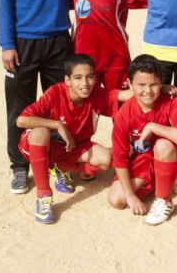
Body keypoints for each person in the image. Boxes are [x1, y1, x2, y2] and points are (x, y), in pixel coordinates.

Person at [0, 0, 127, 194]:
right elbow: (4, 1)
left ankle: (60, 164)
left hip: (59, 42)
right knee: (20, 109)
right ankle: (19, 167)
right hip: (23, 43)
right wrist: (6, 44)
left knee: (62, 111)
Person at [16, 54, 121, 224]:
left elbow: (126, 95)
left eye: (90, 77)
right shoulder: (55, 92)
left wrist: (163, 87)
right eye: (78, 78)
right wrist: (57, 125)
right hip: (41, 145)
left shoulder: (97, 93)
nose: (85, 83)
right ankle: (43, 196)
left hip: (71, 148)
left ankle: (60, 168)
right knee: (40, 132)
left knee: (106, 159)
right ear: (68, 80)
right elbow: (21, 120)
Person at [107, 54, 177, 226]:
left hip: (171, 154)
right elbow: (120, 157)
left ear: (161, 82)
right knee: (117, 199)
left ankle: (164, 199)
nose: (148, 90)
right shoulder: (125, 112)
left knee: (163, 144)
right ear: (130, 85)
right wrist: (130, 196)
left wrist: (153, 127)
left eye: (153, 84)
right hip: (145, 158)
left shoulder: (172, 102)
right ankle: (170, 179)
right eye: (141, 85)